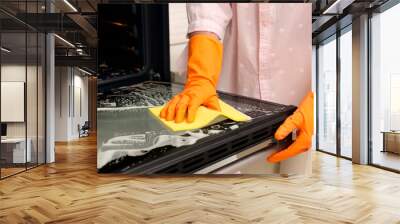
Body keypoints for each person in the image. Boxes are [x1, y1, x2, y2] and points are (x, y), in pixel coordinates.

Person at [160, 3, 314, 174]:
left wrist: (315, 103)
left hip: (300, 94)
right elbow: (209, 10)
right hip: (234, 90)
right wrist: (201, 77)